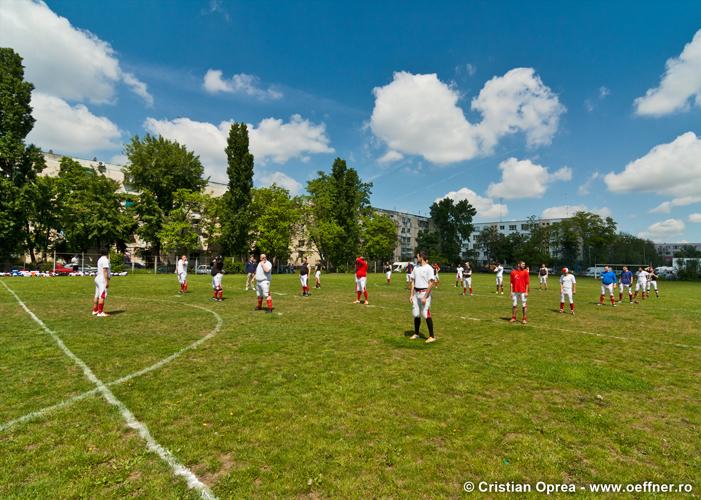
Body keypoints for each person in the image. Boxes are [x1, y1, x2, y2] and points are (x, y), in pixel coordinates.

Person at [409, 251, 436, 344]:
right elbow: (413, 282)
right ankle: (416, 333)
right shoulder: (416, 267)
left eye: (418, 256)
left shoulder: (429, 268)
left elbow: (431, 283)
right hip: (416, 293)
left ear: (422, 257)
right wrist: (411, 295)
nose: (417, 258)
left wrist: (425, 296)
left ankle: (432, 336)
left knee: (425, 313)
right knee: (416, 314)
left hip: (424, 293)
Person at [92, 248, 111, 317]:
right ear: (107, 252)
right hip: (102, 279)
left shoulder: (100, 259)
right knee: (102, 295)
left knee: (96, 295)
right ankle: (100, 312)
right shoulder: (105, 260)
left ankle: (95, 310)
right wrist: (107, 281)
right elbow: (105, 270)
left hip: (98, 277)